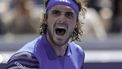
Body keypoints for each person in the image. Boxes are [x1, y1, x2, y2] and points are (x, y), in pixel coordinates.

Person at [6, 0, 86, 69]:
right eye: (56, 12)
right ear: (45, 19)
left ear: (77, 23)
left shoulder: (78, 53)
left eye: (69, 14)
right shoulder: (26, 59)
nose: (62, 19)